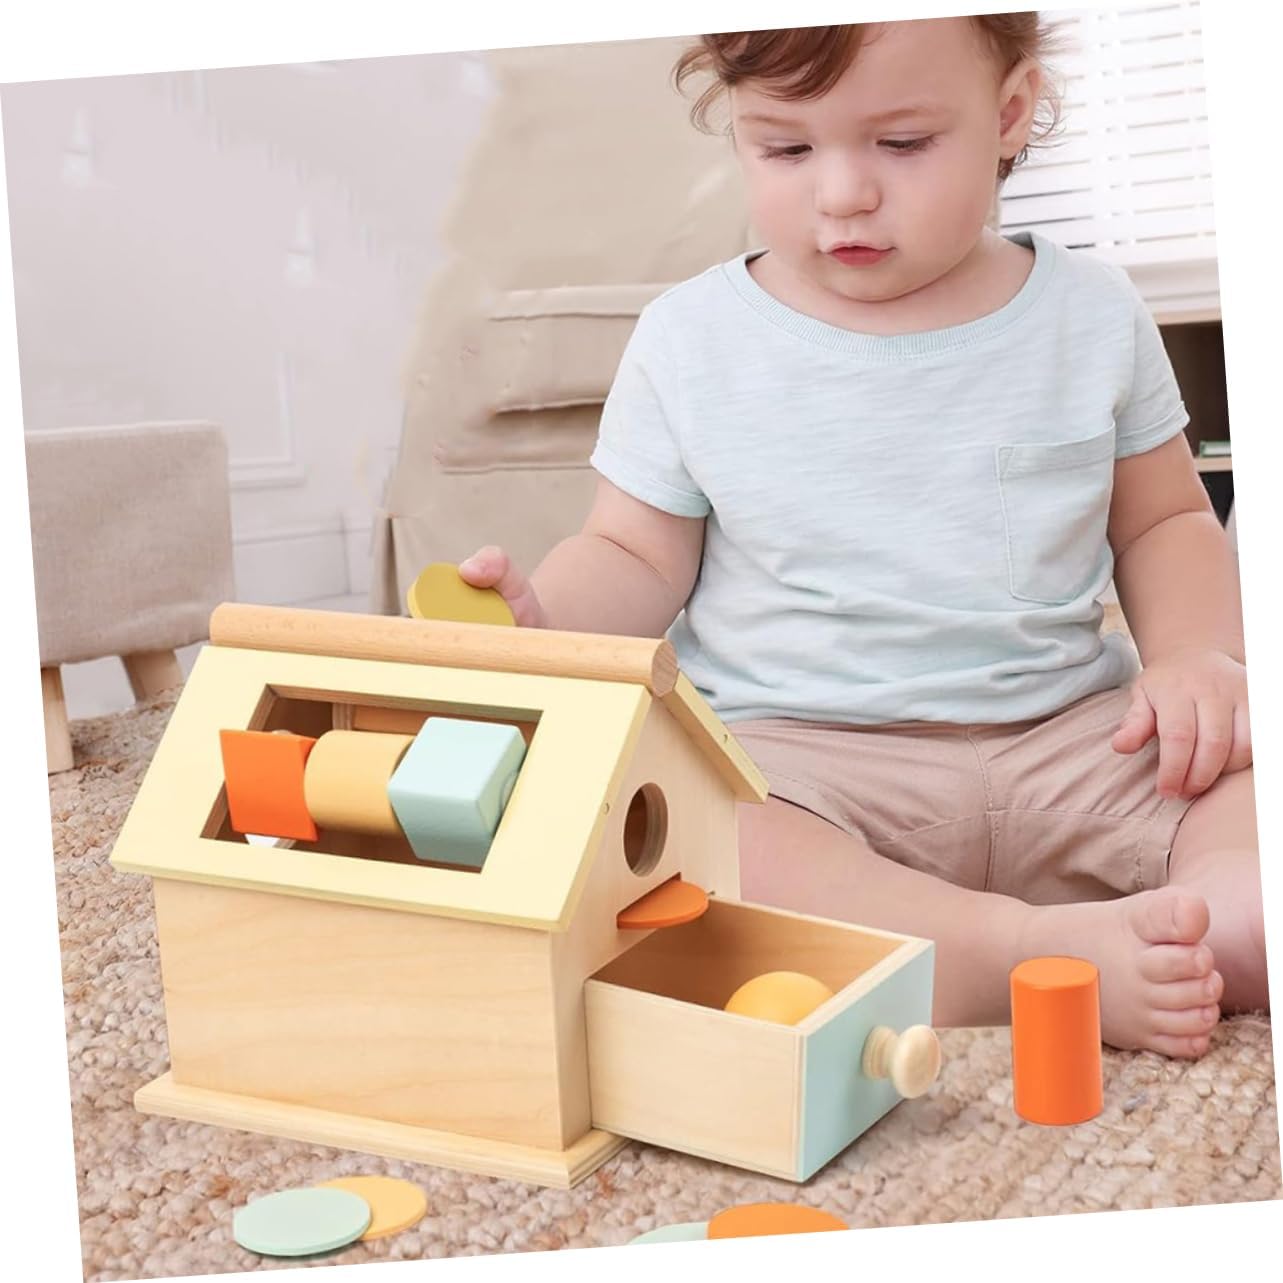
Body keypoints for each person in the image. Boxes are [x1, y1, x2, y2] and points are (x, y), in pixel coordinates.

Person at [457, 15, 1266, 1058]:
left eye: (901, 143)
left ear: (1009, 113)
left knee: (1246, 783)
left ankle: (1212, 918)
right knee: (695, 847)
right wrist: (544, 624)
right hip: (808, 759)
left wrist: (1198, 657)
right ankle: (1024, 952)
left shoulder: (1091, 312)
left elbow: (1161, 519)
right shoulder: (690, 339)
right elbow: (631, 553)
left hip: (1074, 736)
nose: (841, 193)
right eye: (785, 147)